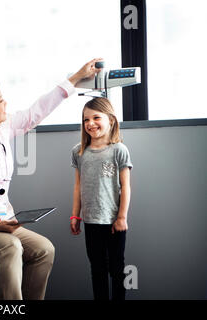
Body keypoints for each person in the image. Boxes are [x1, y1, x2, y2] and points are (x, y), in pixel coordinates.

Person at [0, 58, 103, 300]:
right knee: (11, 247)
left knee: (44, 250)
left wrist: (75, 79)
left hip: (2, 221)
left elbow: (36, 112)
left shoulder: (0, 131)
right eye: (0, 100)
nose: (6, 104)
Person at [70, 97, 133, 300]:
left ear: (111, 120)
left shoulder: (119, 150)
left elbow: (126, 186)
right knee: (97, 269)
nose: (90, 123)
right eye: (85, 119)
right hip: (91, 221)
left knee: (117, 268)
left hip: (113, 221)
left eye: (96, 117)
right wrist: (75, 215)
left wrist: (122, 217)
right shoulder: (79, 152)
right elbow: (78, 186)